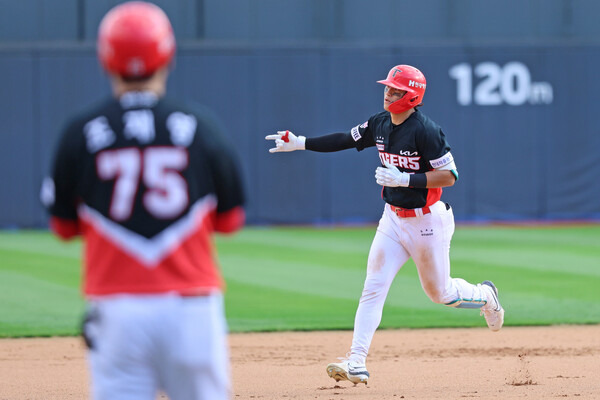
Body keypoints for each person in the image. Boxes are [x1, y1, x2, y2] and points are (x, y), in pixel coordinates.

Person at [40, 2, 245, 399]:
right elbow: (230, 220)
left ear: (105, 59)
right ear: (167, 55)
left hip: (117, 309)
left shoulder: (80, 131)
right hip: (191, 307)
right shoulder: (200, 126)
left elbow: (63, 228)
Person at [265, 64, 504, 386]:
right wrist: (301, 142)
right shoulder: (379, 123)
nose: (388, 92)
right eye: (388, 87)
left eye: (396, 89)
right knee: (373, 288)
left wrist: (408, 178)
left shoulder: (426, 130)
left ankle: (486, 295)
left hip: (428, 222)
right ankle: (356, 362)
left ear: (412, 96)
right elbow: (344, 139)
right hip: (392, 219)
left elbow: (450, 176)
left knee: (440, 293)